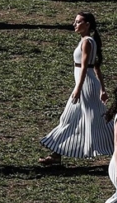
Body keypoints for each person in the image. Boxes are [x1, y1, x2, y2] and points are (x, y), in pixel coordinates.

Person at [38, 13, 112, 165]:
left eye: (78, 22)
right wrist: (102, 89)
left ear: (88, 24)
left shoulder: (87, 42)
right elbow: (96, 67)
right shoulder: (88, 41)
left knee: (95, 119)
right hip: (85, 85)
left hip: (85, 86)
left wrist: (78, 88)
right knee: (71, 118)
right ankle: (56, 155)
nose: (74, 24)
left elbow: (86, 67)